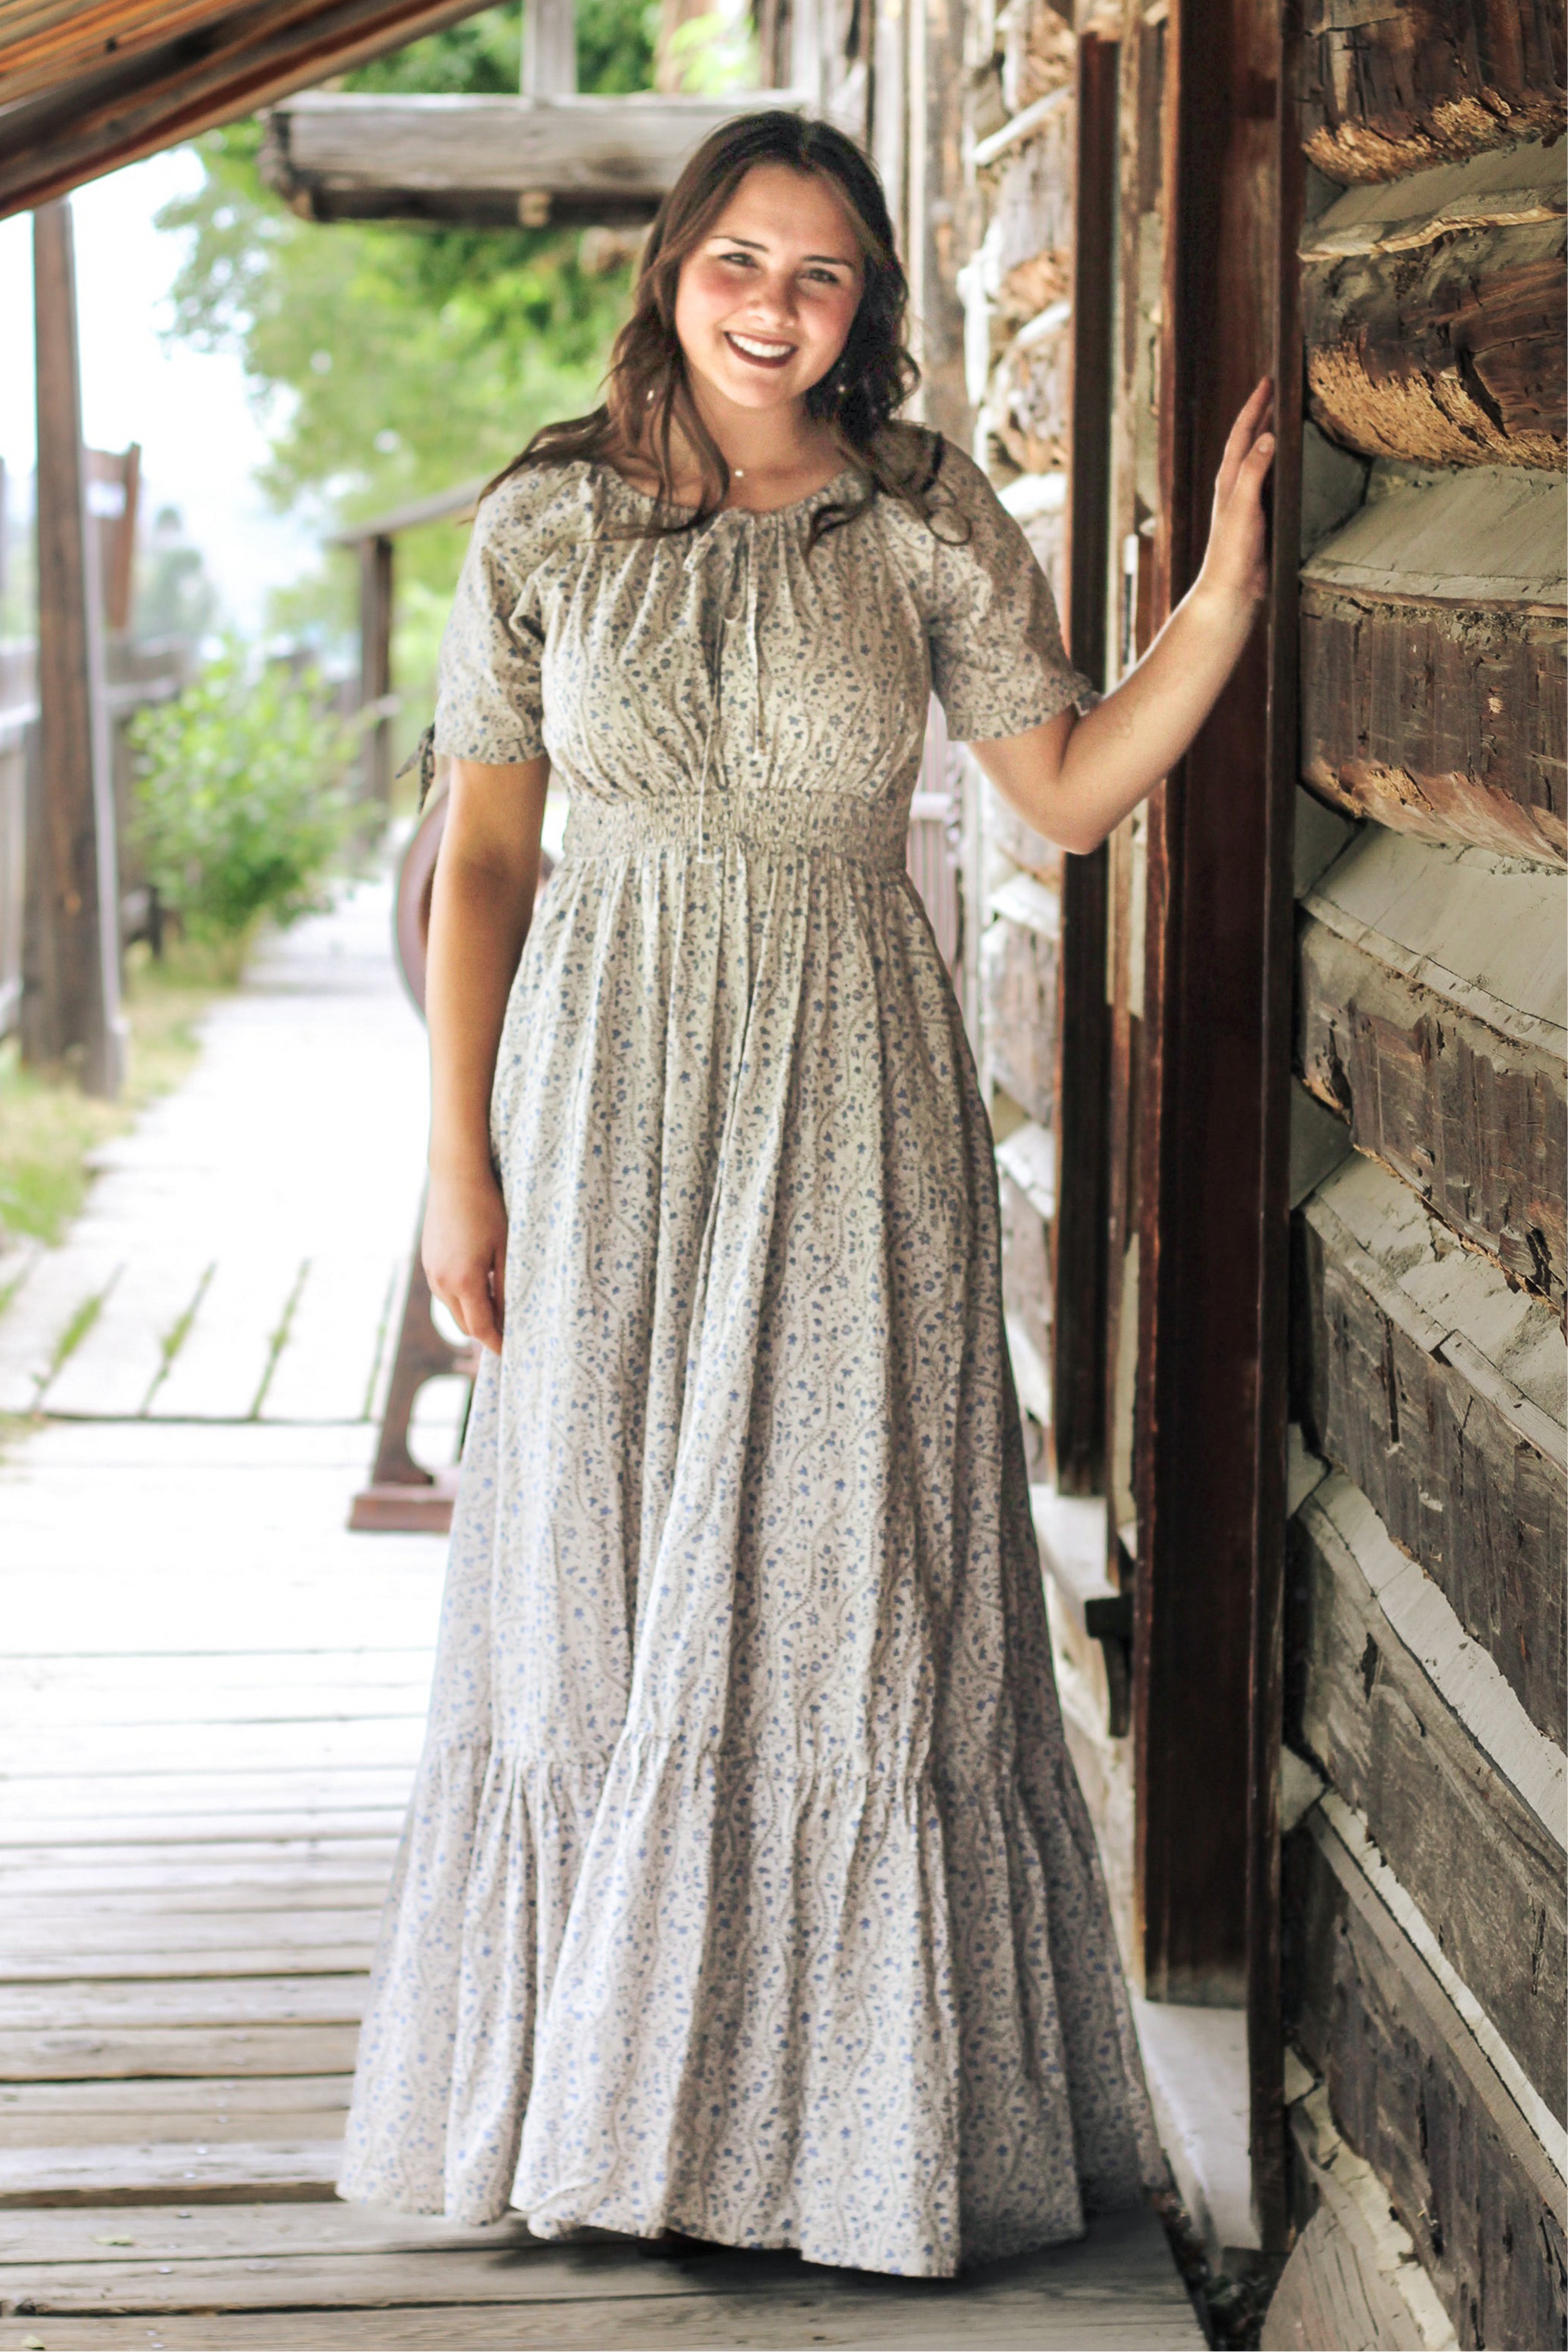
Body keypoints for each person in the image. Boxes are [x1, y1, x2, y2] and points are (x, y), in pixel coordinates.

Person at [339, 108, 1273, 2278]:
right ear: (674, 267)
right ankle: (605, 2113)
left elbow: (1063, 791)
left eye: (823, 274)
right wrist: (456, 1160)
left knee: (846, 1577)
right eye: (743, 263)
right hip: (598, 1096)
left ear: (866, 306)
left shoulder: (918, 509)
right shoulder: (545, 519)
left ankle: (832, 2136)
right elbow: (488, 864)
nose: (776, 308)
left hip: (848, 1090)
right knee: (595, 1575)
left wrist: (1221, 599)